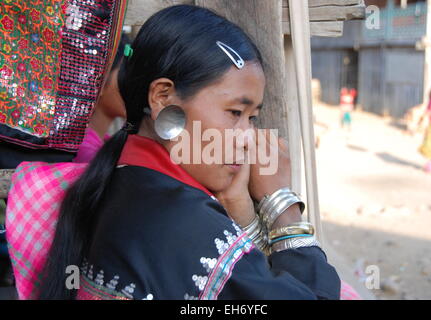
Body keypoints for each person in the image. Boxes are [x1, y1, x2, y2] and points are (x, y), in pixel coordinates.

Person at [37, 5, 340, 300]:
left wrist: (240, 213)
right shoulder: (186, 225)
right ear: (163, 98)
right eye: (235, 112)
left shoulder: (119, 178)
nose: (248, 137)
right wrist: (281, 205)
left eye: (252, 118)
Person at [72, 35, 131, 163]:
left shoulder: (104, 143)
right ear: (99, 82)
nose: (133, 85)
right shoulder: (87, 155)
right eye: (125, 75)